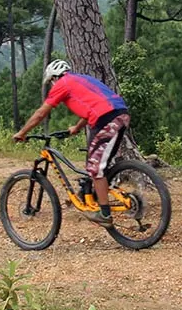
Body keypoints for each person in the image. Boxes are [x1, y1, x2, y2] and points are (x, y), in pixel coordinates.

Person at [13, 60, 129, 228]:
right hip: (119, 115)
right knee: (96, 163)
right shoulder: (81, 79)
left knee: (96, 167)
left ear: (54, 78)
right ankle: (92, 194)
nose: (52, 84)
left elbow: (41, 114)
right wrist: (77, 127)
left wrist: (22, 132)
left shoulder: (62, 84)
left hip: (106, 120)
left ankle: (105, 214)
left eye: (51, 81)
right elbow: (94, 105)